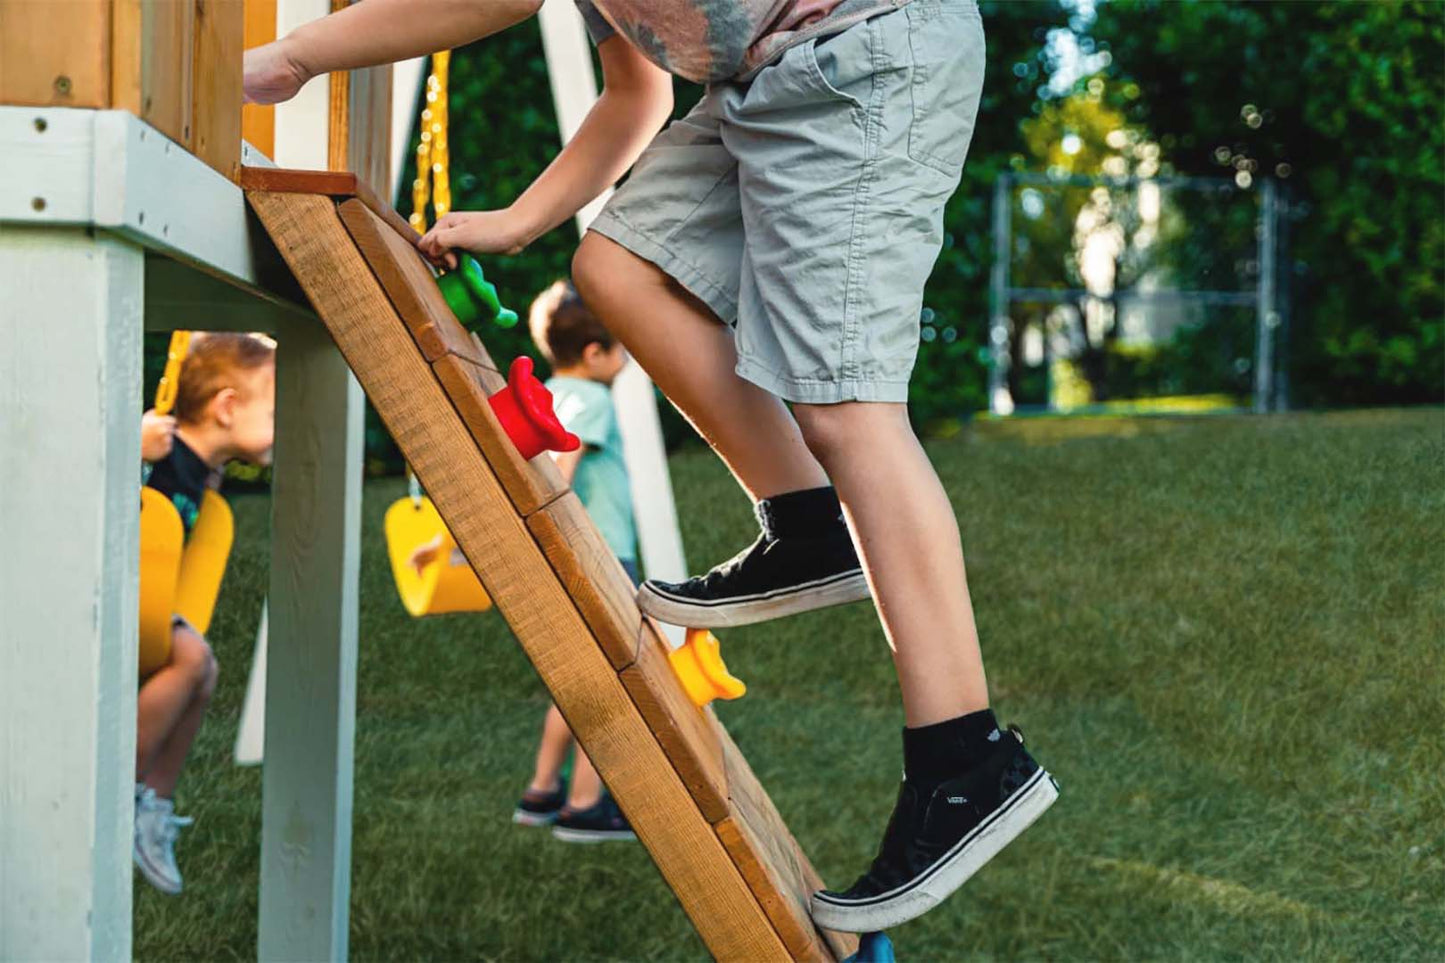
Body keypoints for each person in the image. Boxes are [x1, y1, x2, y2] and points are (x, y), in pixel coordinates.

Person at [245, 0, 1058, 931]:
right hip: (759, 81)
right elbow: (635, 95)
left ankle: (967, 763)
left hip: (865, 57)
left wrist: (295, 57)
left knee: (846, 408)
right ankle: (808, 520)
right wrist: (518, 221)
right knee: (621, 268)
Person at [408, 281, 638, 843]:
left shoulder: (550, 391)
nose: (628, 356)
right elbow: (567, 457)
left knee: (581, 681)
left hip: (579, 557)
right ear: (594, 353)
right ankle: (584, 804)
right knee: (617, 682)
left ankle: (541, 791)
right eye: (622, 346)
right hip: (601, 556)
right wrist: (545, 512)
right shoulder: (591, 398)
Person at [136, 333, 276, 894]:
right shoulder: (161, 449)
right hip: (102, 599)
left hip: (152, 605)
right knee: (194, 657)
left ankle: (153, 806)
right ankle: (115, 784)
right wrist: (131, 440)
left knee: (205, 667)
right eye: (275, 407)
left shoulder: (202, 470)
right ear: (226, 408)